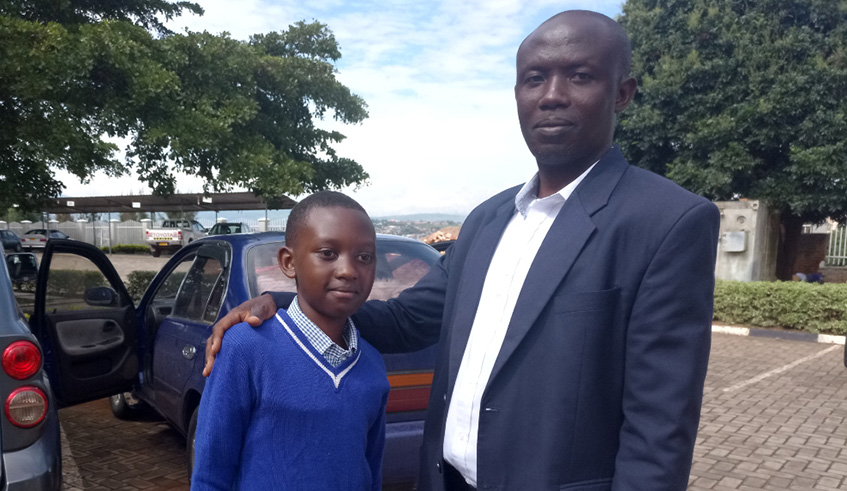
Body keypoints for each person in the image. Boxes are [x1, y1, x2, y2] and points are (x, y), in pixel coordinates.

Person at [204, 10, 720, 491]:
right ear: (518, 93)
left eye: (580, 76)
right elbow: (408, 321)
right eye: (535, 79)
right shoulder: (488, 220)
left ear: (622, 93)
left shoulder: (667, 221)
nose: (552, 95)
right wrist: (291, 310)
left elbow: (660, 427)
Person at [191, 191, 389, 490]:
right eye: (327, 253)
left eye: (364, 257)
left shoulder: (372, 364)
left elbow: (371, 472)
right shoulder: (245, 348)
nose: (349, 270)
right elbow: (210, 473)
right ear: (288, 261)